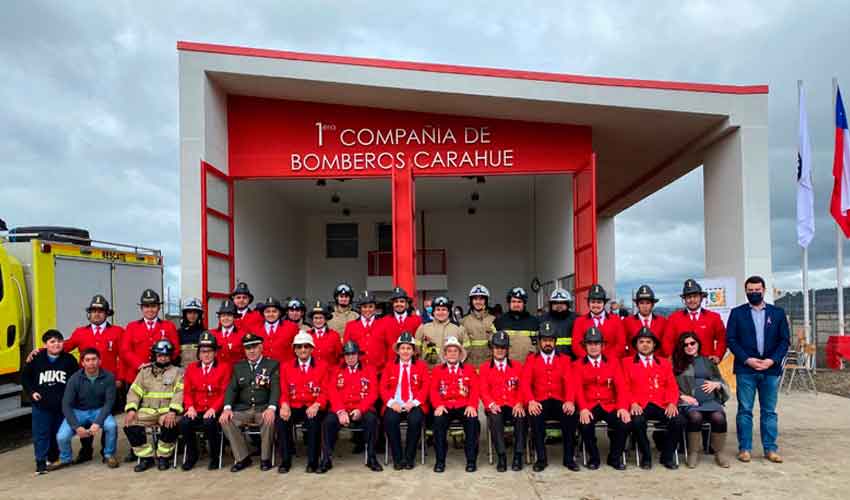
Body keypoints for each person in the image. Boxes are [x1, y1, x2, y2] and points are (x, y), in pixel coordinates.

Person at [726, 275, 790, 464]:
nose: (754, 293)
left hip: (770, 370)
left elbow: (784, 340)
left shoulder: (777, 313)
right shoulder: (737, 313)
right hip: (746, 369)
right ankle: (744, 448)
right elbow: (731, 340)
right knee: (745, 410)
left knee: (769, 411)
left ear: (764, 290)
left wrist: (771, 360)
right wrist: (747, 359)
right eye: (750, 290)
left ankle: (770, 449)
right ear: (746, 291)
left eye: (757, 290)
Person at [61, 295, 124, 460]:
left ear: (107, 314)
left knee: (107, 416)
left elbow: (123, 357)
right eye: (93, 311)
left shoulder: (117, 332)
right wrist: (41, 350)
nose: (97, 314)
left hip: (108, 383)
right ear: (89, 314)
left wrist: (119, 378)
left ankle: (106, 452)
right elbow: (64, 347)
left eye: (100, 311)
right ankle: (86, 449)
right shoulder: (80, 332)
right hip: (86, 384)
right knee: (85, 415)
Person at [622, 327, 683, 470]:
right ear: (636, 345)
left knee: (678, 420)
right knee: (637, 421)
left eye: (648, 342)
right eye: (641, 341)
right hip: (640, 404)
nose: (645, 344)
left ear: (654, 344)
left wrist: (671, 403)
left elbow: (672, 386)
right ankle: (646, 456)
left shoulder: (664, 363)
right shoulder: (626, 362)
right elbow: (624, 386)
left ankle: (667, 457)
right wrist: (632, 403)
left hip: (661, 403)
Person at [521, 321, 579, 472]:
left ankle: (569, 458)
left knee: (570, 416)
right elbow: (525, 383)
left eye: (550, 340)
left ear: (555, 342)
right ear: (540, 342)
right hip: (540, 401)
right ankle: (541, 459)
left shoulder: (565, 360)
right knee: (535, 417)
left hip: (560, 400)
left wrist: (570, 401)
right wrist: (531, 401)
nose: (548, 343)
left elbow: (570, 383)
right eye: (545, 340)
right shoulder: (531, 360)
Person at [220, 332, 280, 472]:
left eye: (254, 347)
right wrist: (227, 408)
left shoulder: (272, 365)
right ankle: (242, 458)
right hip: (244, 409)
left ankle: (265, 459)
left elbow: (276, 388)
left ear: (261, 347)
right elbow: (232, 389)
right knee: (226, 420)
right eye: (248, 348)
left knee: (269, 420)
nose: (251, 351)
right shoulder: (238, 367)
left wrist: (272, 408)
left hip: (263, 408)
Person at [21, 330, 79, 474]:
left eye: (59, 341)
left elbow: (76, 380)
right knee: (41, 433)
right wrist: (32, 392)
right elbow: (25, 377)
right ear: (45, 345)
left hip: (61, 405)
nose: (56, 344)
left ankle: (54, 458)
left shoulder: (69, 359)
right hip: (42, 405)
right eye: (52, 342)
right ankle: (40, 463)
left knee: (58, 432)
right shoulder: (36, 358)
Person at [573, 326, 630, 471]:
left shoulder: (613, 362)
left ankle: (614, 457)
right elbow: (577, 389)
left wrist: (623, 407)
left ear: (602, 346)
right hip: (590, 404)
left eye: (596, 343)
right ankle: (594, 457)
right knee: (585, 425)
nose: (593, 347)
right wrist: (583, 408)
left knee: (623, 423)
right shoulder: (577, 365)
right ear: (585, 346)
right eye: (590, 344)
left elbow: (621, 387)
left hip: (609, 404)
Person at [123, 339, 184, 472]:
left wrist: (173, 411)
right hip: (147, 412)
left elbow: (180, 393)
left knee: (170, 424)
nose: (163, 358)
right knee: (130, 424)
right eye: (160, 355)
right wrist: (132, 410)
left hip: (167, 412)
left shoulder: (178, 372)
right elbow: (134, 391)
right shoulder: (144, 372)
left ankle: (164, 457)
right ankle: (146, 457)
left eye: (166, 355)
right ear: (154, 356)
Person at [322, 340, 383, 472]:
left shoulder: (369, 370)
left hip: (362, 408)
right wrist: (340, 411)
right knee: (328, 422)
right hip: (341, 408)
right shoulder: (336, 370)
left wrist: (360, 409)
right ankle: (326, 459)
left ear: (358, 355)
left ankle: (371, 457)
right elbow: (332, 391)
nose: (350, 357)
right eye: (347, 354)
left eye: (353, 354)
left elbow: (373, 393)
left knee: (372, 420)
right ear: (344, 356)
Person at [120, 289, 180, 423]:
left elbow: (175, 350)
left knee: (161, 414)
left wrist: (162, 364)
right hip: (136, 376)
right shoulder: (132, 327)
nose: (150, 310)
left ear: (158, 307)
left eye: (153, 306)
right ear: (141, 308)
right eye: (147, 306)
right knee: (135, 415)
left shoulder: (168, 326)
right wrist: (140, 365)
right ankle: (139, 443)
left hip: (163, 378)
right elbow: (125, 350)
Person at [672, 332, 731, 468]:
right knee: (695, 417)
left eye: (692, 343)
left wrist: (717, 384)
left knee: (719, 417)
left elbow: (720, 379)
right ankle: (693, 452)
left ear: (698, 344)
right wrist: (681, 396)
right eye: (685, 344)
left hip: (710, 401)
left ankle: (719, 453)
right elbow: (669, 384)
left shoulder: (707, 361)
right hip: (688, 402)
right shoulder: (676, 362)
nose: (689, 346)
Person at [56, 348, 119, 470]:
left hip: (99, 410)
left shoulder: (109, 377)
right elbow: (66, 405)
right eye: (87, 360)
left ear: (99, 361)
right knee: (62, 437)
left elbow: (109, 403)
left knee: (111, 426)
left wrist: (98, 423)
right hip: (78, 411)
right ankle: (65, 459)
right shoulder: (74, 379)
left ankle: (109, 455)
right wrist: (76, 427)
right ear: (82, 363)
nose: (91, 363)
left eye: (94, 359)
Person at [179, 332, 232, 471]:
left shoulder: (224, 367)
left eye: (209, 351)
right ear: (199, 353)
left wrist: (214, 409)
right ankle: (192, 455)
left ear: (215, 352)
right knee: (184, 423)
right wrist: (189, 407)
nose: (206, 355)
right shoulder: (191, 368)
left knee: (209, 424)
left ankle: (215, 457)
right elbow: (187, 392)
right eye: (203, 351)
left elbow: (224, 392)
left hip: (214, 408)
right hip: (196, 408)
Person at [277, 332, 328, 473]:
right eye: (299, 347)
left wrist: (317, 404)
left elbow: (325, 391)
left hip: (314, 404)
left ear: (312, 348)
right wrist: (284, 405)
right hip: (294, 405)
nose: (303, 350)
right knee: (282, 420)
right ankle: (285, 461)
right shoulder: (286, 366)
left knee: (313, 421)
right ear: (294, 349)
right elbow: (284, 391)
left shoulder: (322, 365)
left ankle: (313, 461)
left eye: (306, 346)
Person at [429, 336, 480, 473]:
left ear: (460, 354)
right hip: (445, 406)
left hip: (464, 405)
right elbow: (433, 390)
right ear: (445, 355)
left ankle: (471, 460)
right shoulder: (437, 371)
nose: (452, 353)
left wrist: (472, 405)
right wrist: (438, 405)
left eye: (455, 351)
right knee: (438, 422)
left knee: (473, 422)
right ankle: (440, 461)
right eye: (449, 351)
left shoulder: (469, 370)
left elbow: (475, 389)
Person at [479, 330, 526, 472]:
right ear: (492, 348)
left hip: (513, 404)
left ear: (507, 349)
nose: (500, 350)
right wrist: (491, 404)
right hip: (496, 405)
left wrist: (519, 403)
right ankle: (501, 455)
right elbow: (483, 390)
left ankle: (518, 455)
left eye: (503, 347)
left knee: (521, 417)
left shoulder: (517, 366)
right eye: (497, 347)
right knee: (495, 418)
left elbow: (522, 387)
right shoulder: (485, 368)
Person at [381, 332, 429, 470]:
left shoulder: (421, 366)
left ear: (413, 351)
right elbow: (382, 387)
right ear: (398, 350)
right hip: (394, 403)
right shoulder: (389, 366)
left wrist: (413, 403)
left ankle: (409, 457)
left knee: (415, 421)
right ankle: (397, 458)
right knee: (390, 420)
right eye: (402, 348)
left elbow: (425, 386)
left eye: (409, 348)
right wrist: (391, 403)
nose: (405, 351)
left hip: (414, 403)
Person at [662, 279, 727, 363]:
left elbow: (722, 339)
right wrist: (672, 357)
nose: (692, 300)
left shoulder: (714, 317)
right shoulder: (674, 318)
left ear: (701, 298)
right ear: (684, 300)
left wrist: (718, 355)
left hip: (707, 364)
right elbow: (667, 341)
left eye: (695, 296)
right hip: (682, 366)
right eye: (689, 297)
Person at [571, 284, 625, 359]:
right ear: (588, 303)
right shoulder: (579, 321)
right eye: (593, 302)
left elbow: (621, 344)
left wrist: (606, 360)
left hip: (611, 364)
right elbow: (576, 345)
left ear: (604, 303)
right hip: (588, 365)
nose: (596, 305)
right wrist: (589, 360)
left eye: (599, 302)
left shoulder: (616, 320)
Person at [414, 296, 466, 367]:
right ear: (433, 312)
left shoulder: (458, 328)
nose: (441, 312)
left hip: (450, 370)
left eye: (444, 309)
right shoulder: (424, 327)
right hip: (429, 370)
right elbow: (416, 349)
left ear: (448, 312)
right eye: (438, 309)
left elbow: (466, 348)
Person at [343, 291, 388, 369]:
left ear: (375, 308)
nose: (367, 309)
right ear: (360, 308)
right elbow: (346, 349)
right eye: (364, 307)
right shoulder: (351, 326)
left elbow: (389, 347)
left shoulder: (384, 324)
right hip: (359, 371)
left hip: (380, 371)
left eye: (370, 306)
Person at [494, 287, 539, 362]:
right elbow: (492, 344)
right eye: (513, 301)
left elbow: (539, 346)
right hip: (507, 367)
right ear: (509, 303)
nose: (516, 304)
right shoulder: (500, 321)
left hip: (528, 366)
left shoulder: (534, 321)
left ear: (524, 303)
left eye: (519, 302)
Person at [623, 285, 668, 357]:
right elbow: (623, 344)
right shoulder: (627, 322)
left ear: (652, 305)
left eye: (648, 303)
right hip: (634, 364)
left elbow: (666, 344)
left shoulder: (662, 322)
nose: (645, 306)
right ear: (637, 305)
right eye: (641, 303)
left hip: (657, 363)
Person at [381, 287, 422, 364]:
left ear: (406, 304)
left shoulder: (417, 320)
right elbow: (382, 345)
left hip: (412, 362)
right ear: (392, 304)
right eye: (396, 301)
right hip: (391, 364)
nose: (399, 304)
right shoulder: (383, 321)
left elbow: (419, 341)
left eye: (402, 301)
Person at [461, 284, 497, 366]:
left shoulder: (494, 320)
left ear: (486, 301)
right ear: (471, 301)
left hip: (489, 365)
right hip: (469, 365)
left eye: (481, 299)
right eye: (475, 299)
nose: (478, 302)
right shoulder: (463, 321)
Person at [540, 288, 577, 358]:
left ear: (568, 304)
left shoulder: (576, 319)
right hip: (550, 361)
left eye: (562, 303)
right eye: (555, 303)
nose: (559, 306)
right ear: (551, 305)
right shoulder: (542, 319)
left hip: (571, 361)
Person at [255, 296, 291, 363]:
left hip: (283, 369)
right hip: (262, 370)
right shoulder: (255, 329)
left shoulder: (291, 327)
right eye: (267, 311)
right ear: (263, 313)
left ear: (279, 313)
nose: (271, 314)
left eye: (274, 311)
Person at [210, 299, 246, 367]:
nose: (226, 318)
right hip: (217, 375)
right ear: (219, 318)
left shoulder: (243, 335)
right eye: (223, 315)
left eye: (229, 315)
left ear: (234, 317)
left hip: (235, 375)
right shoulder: (211, 334)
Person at [308, 301, 342, 367]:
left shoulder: (334, 336)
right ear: (312, 320)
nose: (318, 321)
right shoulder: (307, 335)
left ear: (326, 319)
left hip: (329, 375)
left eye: (321, 318)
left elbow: (340, 357)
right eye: (316, 318)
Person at [178, 297, 205, 366]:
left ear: (199, 314)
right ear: (185, 314)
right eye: (189, 312)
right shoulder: (178, 333)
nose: (192, 315)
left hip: (199, 370)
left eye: (195, 313)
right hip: (182, 371)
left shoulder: (205, 333)